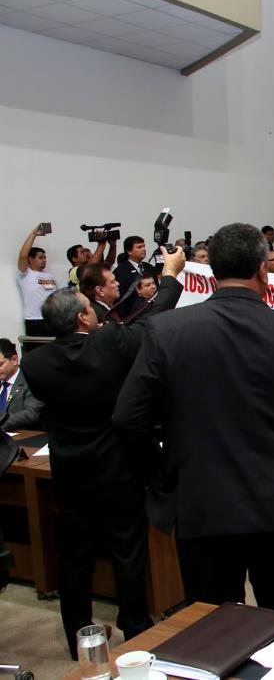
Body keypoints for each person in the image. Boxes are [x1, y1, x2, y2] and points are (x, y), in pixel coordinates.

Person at [112, 224, 274, 623]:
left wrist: (165, 471)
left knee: (214, 628)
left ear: (212, 270)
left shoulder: (166, 331)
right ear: (262, 272)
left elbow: (128, 418)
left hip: (202, 500)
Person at [22, 246, 184, 657]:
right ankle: (135, 628)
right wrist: (168, 275)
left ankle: (79, 634)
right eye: (89, 308)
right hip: (118, 470)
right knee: (127, 552)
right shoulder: (110, 343)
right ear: (82, 317)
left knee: (75, 557)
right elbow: (155, 316)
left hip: (70, 473)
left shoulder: (36, 364)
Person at [0, 338, 43, 432]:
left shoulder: (31, 380)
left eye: (0, 364)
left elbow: (31, 413)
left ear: (14, 360)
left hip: (24, 437)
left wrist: (1, 424)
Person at [113, 236, 157, 316]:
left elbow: (157, 289)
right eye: (139, 247)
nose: (143, 249)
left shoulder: (149, 267)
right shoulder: (120, 271)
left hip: (153, 313)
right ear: (129, 251)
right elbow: (120, 300)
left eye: (144, 246)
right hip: (132, 316)